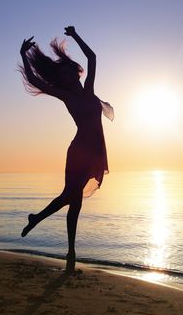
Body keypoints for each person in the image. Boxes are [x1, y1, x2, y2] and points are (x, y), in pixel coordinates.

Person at [19, 26, 113, 272]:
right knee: (70, 197)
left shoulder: (89, 90)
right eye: (63, 75)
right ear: (62, 80)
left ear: (75, 73)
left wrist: (75, 35)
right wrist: (22, 55)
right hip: (79, 152)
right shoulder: (66, 96)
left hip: (93, 152)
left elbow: (92, 58)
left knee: (75, 203)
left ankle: (70, 253)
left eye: (69, 72)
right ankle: (42, 224)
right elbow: (33, 80)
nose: (68, 77)